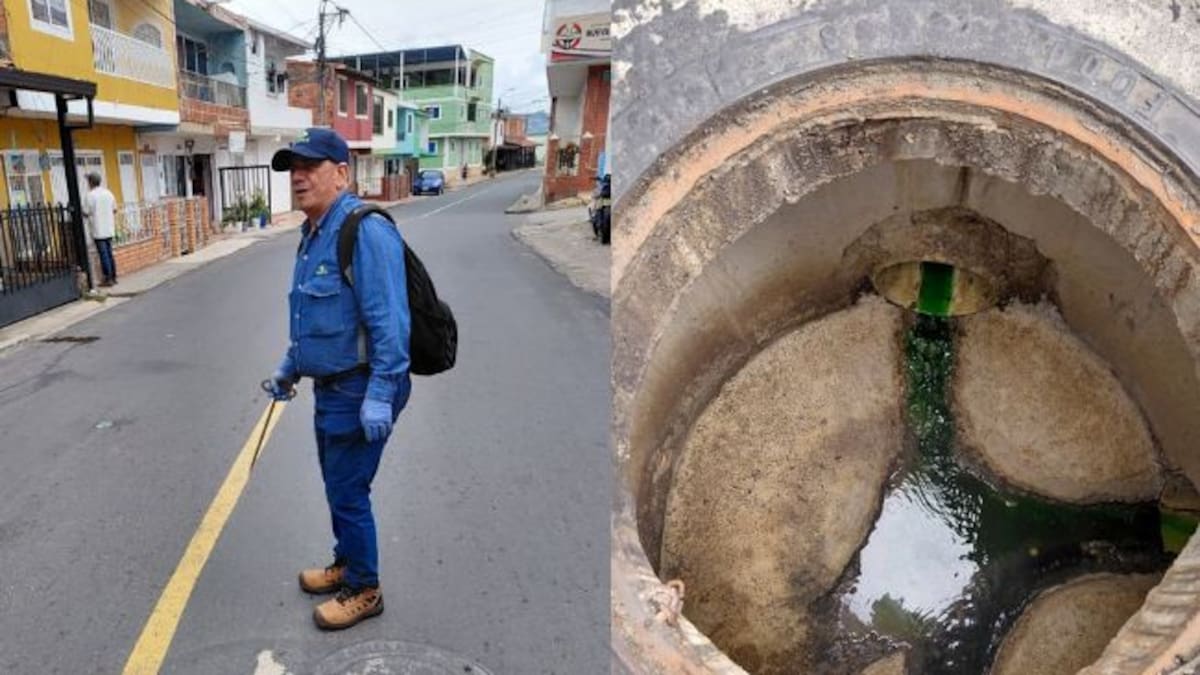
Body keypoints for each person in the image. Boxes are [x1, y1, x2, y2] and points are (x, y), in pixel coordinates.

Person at [265, 127, 411, 630]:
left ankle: (365, 588)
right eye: (292, 169)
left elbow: (390, 323)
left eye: (311, 166)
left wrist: (380, 394)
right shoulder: (313, 233)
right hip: (332, 387)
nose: (299, 177)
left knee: (349, 492)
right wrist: (291, 365)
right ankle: (347, 562)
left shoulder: (364, 229)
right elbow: (315, 315)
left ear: (342, 173)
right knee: (337, 487)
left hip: (361, 387)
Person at [82, 172, 118, 287]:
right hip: (109, 228)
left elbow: (86, 212)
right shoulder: (108, 193)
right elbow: (114, 209)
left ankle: (108, 278)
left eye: (88, 181)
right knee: (109, 253)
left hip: (98, 229)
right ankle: (114, 276)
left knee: (103, 254)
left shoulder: (90, 195)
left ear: (91, 182)